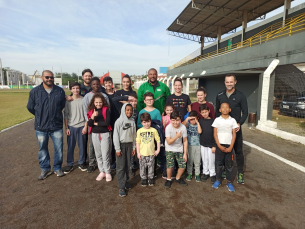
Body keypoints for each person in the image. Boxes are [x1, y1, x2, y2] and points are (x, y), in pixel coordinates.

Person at [27, 70, 66, 180]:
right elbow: (30, 107)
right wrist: (40, 116)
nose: (50, 79)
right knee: (42, 149)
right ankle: (45, 169)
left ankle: (57, 167)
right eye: (47, 77)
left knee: (58, 148)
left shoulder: (59, 91)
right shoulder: (35, 92)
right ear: (42, 77)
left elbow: (62, 105)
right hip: (41, 126)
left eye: (51, 77)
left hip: (56, 125)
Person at [215, 74, 248, 184]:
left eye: (231, 82)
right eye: (227, 82)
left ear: (235, 82)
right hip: (223, 129)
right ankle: (225, 170)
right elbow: (216, 112)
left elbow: (245, 112)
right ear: (224, 82)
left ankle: (240, 173)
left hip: (235, 129)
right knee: (224, 150)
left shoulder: (241, 95)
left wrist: (240, 123)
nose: (229, 84)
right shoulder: (219, 95)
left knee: (238, 151)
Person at [83, 77, 110, 173]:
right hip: (92, 126)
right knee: (92, 146)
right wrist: (88, 124)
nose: (96, 86)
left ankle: (106, 167)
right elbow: (85, 112)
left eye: (97, 84)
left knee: (104, 148)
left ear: (100, 85)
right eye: (94, 84)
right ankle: (91, 163)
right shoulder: (87, 96)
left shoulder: (104, 96)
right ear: (91, 85)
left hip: (103, 128)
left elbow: (107, 110)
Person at [212, 103, 238, 192]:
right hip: (219, 145)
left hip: (229, 146)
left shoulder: (233, 120)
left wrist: (231, 146)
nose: (225, 109)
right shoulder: (217, 120)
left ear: (230, 109)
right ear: (220, 110)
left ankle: (229, 182)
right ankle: (218, 180)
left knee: (229, 165)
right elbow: (215, 133)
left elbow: (234, 134)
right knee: (218, 164)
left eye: (227, 107)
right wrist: (218, 145)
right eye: (223, 107)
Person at [87, 94, 112, 182]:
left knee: (105, 154)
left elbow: (107, 123)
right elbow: (89, 124)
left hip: (105, 134)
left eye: (100, 102)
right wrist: (93, 116)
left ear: (103, 102)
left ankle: (107, 172)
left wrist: (96, 123)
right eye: (96, 102)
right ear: (93, 102)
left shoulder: (106, 110)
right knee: (98, 155)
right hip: (95, 134)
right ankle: (102, 171)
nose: (98, 104)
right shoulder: (91, 111)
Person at [63, 82, 88, 174]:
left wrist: (85, 127)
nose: (75, 90)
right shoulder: (68, 100)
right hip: (71, 126)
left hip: (81, 126)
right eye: (73, 88)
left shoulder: (83, 99)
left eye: (77, 88)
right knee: (70, 146)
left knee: (82, 146)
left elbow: (86, 115)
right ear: (71, 89)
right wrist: (66, 128)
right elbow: (66, 115)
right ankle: (70, 164)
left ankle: (81, 163)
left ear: (80, 89)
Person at [113, 103, 137, 197]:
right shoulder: (119, 121)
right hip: (121, 146)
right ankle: (121, 186)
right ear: (123, 110)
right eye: (127, 110)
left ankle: (125, 181)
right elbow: (115, 136)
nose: (129, 112)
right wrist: (117, 149)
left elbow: (134, 135)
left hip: (130, 145)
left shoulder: (132, 121)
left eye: (131, 110)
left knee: (127, 165)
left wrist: (134, 147)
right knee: (121, 166)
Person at [164, 111, 188, 188]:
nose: (175, 122)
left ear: (180, 119)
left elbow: (185, 140)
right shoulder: (168, 128)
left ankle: (178, 178)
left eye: (177, 120)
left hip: (179, 148)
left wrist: (185, 153)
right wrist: (177, 136)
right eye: (173, 120)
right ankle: (168, 179)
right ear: (170, 120)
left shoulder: (183, 127)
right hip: (169, 149)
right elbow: (169, 142)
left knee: (183, 165)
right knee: (170, 166)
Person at [136, 113, 160, 187]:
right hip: (142, 153)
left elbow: (158, 140)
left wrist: (158, 150)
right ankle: (143, 178)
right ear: (141, 122)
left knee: (151, 167)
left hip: (151, 153)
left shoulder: (154, 130)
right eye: (144, 122)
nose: (146, 124)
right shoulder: (139, 131)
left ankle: (150, 178)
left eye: (148, 121)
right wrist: (138, 152)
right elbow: (138, 142)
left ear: (150, 121)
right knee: (142, 167)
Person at [182, 111, 202, 182]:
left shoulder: (198, 125)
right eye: (191, 119)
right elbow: (182, 125)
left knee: (197, 161)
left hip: (197, 145)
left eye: (194, 119)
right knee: (189, 161)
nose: (192, 121)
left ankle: (197, 174)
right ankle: (189, 173)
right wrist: (187, 118)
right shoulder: (187, 125)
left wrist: (198, 122)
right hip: (189, 145)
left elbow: (199, 132)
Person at [199, 104, 216, 183]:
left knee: (211, 160)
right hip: (203, 144)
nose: (205, 114)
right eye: (203, 112)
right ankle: (205, 173)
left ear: (209, 111)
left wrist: (214, 145)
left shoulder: (213, 121)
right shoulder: (200, 121)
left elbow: (215, 134)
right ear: (200, 113)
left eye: (206, 112)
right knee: (204, 159)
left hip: (211, 145)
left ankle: (212, 174)